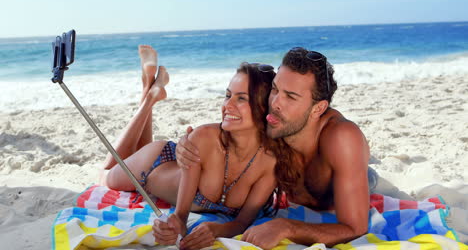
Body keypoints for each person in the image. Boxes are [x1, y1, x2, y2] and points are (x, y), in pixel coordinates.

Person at [176, 47, 371, 248]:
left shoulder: (341, 139)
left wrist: (286, 227)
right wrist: (185, 145)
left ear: (318, 108)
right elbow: (230, 125)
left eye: (291, 97)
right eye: (275, 90)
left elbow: (355, 228)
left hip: (353, 177)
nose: (275, 103)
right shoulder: (276, 123)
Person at [100, 45, 283, 250]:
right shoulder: (205, 137)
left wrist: (216, 230)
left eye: (241, 98)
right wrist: (176, 224)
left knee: (136, 148)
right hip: (153, 165)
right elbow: (180, 216)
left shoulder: (270, 160)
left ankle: (150, 84)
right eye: (228, 95)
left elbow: (241, 223)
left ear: (263, 106)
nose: (227, 105)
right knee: (105, 175)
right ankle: (150, 97)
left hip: (169, 168)